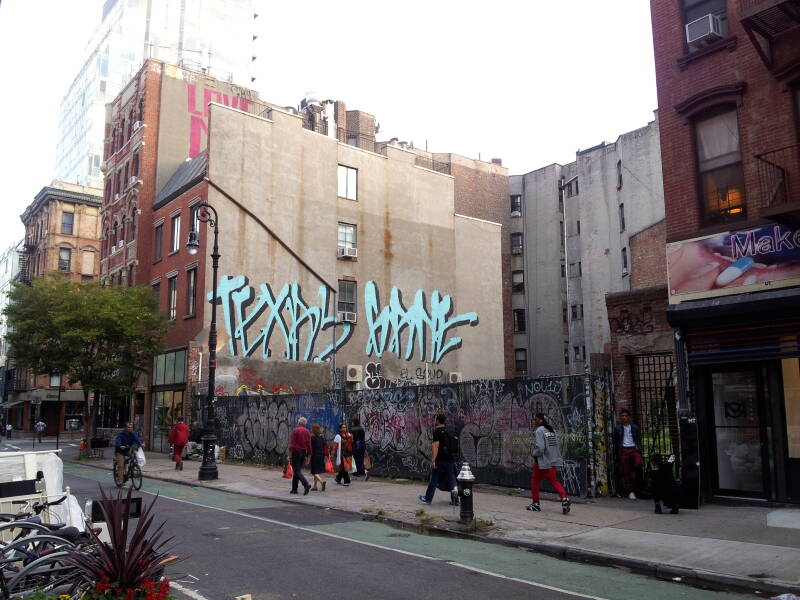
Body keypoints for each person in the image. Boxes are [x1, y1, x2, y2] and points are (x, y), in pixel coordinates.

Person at [528, 413, 571, 514]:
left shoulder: (539, 430)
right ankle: (565, 498)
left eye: (536, 419)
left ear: (541, 420)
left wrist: (534, 453)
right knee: (554, 480)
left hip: (542, 462)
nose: (534, 422)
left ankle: (535, 504)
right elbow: (556, 446)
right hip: (552, 461)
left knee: (535, 480)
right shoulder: (552, 430)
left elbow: (540, 448)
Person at [419, 413, 458, 505]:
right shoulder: (448, 431)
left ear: (437, 420)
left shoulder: (436, 431)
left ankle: (428, 499)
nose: (434, 421)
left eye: (435, 419)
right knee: (452, 479)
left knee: (434, 479)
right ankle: (455, 500)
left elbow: (436, 446)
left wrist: (433, 460)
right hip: (450, 458)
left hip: (440, 460)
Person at [613, 409, 643, 500]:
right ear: (620, 417)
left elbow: (638, 439)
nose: (624, 417)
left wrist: (639, 449)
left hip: (633, 449)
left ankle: (638, 486)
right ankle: (630, 491)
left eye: (626, 416)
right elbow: (616, 441)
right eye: (622, 416)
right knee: (626, 472)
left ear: (629, 417)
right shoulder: (617, 428)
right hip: (623, 450)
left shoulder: (634, 427)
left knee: (638, 463)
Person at [287, 416, 312, 495]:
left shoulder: (295, 431)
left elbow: (292, 444)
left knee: (296, 470)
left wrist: (290, 455)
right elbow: (309, 445)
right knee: (297, 470)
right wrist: (308, 456)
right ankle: (294, 489)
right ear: (305, 424)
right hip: (303, 452)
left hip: (296, 452)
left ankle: (306, 484)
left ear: (299, 422)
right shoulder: (307, 432)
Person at [309, 423, 328, 491]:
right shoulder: (321, 437)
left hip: (315, 455)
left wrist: (308, 457)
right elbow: (325, 444)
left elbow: (310, 448)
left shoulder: (312, 438)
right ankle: (315, 486)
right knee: (317, 471)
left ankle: (321, 481)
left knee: (314, 471)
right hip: (321, 455)